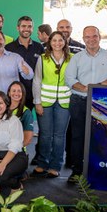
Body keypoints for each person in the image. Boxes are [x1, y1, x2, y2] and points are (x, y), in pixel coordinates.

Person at [65, 26, 107, 182]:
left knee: (101, 137)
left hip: (100, 103)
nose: (91, 39)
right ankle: (76, 171)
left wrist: (96, 87)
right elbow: (69, 79)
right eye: (87, 37)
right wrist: (84, 88)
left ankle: (98, 170)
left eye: (94, 36)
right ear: (83, 39)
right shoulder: (76, 58)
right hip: (79, 101)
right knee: (77, 137)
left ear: (99, 37)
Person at [31, 31, 71, 179]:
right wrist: (37, 102)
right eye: (54, 40)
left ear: (65, 42)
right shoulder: (42, 58)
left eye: (60, 40)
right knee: (45, 135)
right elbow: (36, 81)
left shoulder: (72, 58)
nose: (57, 43)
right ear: (49, 42)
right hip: (45, 102)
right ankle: (42, 164)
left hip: (64, 102)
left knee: (59, 136)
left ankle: (55, 166)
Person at [5, 16, 44, 109]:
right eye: (23, 26)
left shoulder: (39, 47)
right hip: (15, 93)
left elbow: (43, 69)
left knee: (29, 120)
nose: (26, 29)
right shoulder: (9, 48)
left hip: (33, 92)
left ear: (32, 29)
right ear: (18, 28)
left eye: (29, 26)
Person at [7, 81, 34, 151]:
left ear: (23, 94)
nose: (16, 93)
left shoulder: (26, 112)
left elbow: (27, 139)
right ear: (9, 93)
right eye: (14, 91)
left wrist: (12, 150)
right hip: (0, 147)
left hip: (16, 150)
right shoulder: (2, 108)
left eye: (19, 91)